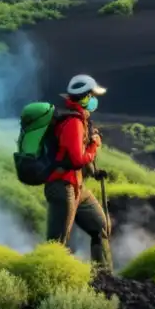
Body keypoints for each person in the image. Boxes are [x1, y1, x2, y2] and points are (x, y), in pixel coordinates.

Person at [44, 74, 112, 270]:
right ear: (84, 97)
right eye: (91, 95)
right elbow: (75, 159)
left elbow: (77, 157)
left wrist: (94, 171)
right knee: (58, 242)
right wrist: (94, 147)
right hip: (62, 187)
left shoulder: (81, 120)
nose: (94, 99)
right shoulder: (73, 122)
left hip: (76, 187)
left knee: (100, 227)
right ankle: (49, 280)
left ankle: (104, 277)